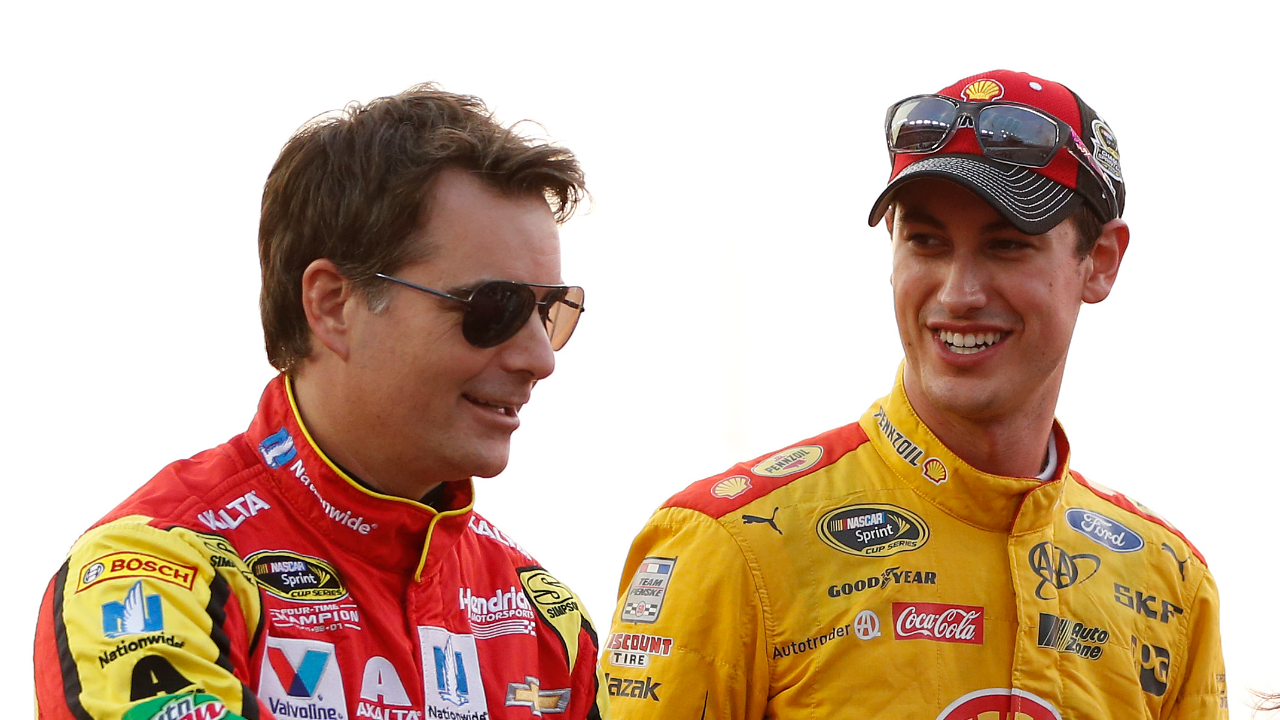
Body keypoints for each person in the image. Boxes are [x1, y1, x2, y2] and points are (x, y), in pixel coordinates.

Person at [603, 70, 1227, 719]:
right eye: (926, 242)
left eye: (1007, 246)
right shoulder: (727, 544)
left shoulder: (1171, 581)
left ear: (1100, 261)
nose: (958, 293)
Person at [35, 84, 608, 720]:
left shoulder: (543, 621)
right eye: (494, 309)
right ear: (333, 305)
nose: (540, 358)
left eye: (549, 311)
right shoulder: (150, 574)